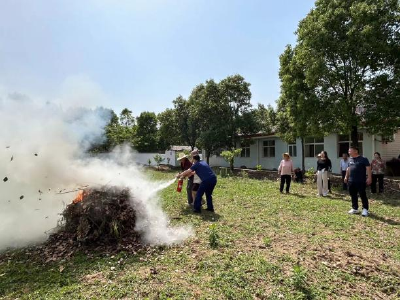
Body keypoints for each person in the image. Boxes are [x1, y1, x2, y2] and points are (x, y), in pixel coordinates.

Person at [344, 146, 372, 217]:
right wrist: (346, 176)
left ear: (356, 151)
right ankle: (355, 208)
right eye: (348, 151)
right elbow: (348, 169)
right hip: (351, 180)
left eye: (350, 151)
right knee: (353, 194)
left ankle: (365, 209)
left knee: (362, 194)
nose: (349, 152)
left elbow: (368, 168)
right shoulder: (350, 159)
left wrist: (369, 178)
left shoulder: (363, 159)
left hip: (360, 180)